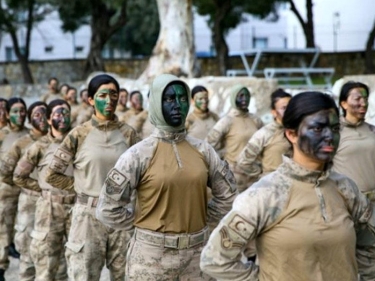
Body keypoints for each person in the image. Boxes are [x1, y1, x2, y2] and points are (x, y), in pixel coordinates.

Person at [200, 91, 375, 281]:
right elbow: (214, 260)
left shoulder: (346, 189)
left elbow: (369, 244)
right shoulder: (264, 195)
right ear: (291, 134)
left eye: (334, 128)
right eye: (318, 128)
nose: (329, 136)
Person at [96, 73, 238, 280]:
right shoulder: (138, 154)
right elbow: (107, 209)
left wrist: (200, 220)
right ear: (155, 103)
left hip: (197, 257)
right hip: (151, 259)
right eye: (169, 99)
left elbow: (228, 196)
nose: (177, 106)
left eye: (182, 99)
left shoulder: (203, 150)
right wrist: (144, 226)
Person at [45, 74, 139, 281]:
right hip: (88, 216)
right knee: (84, 275)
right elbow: (52, 174)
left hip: (121, 215)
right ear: (90, 100)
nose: (109, 100)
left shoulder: (129, 134)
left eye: (113, 94)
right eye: (102, 95)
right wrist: (80, 185)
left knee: (127, 275)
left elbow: (142, 174)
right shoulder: (78, 134)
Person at [13, 99, 73, 281]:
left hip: (76, 208)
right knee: (45, 264)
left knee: (70, 264)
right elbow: (18, 176)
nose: (63, 118)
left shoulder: (78, 143)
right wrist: (42, 189)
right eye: (58, 114)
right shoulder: (39, 147)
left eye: (66, 113)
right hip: (48, 210)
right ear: (48, 119)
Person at [0, 101, 49, 281]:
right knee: (9, 235)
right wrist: (22, 184)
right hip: (15, 195)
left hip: (48, 201)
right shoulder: (15, 139)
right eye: (16, 111)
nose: (19, 114)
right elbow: (5, 171)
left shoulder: (55, 140)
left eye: (45, 113)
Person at [331, 81, 375, 280]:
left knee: (369, 259)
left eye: (365, 98)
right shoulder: (333, 132)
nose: (363, 102)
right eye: (357, 98)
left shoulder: (372, 130)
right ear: (343, 103)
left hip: (372, 208)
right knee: (342, 260)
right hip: (345, 207)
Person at [205, 85, 263, 192]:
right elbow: (208, 144)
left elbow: (265, 143)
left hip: (254, 176)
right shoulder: (227, 121)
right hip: (235, 177)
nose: (244, 99)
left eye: (246, 95)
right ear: (233, 98)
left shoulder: (255, 120)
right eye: (240, 96)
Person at [235, 89, 292, 191]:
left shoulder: (299, 132)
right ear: (274, 112)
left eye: (291, 106)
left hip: (294, 187)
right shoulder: (264, 134)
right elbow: (243, 161)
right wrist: (262, 175)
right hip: (272, 189)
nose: (289, 111)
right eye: (284, 108)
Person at [0, 97, 28, 280]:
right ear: (8, 114)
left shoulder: (32, 134)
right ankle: (1, 267)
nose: (20, 115)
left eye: (22, 111)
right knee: (4, 230)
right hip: (6, 190)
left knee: (26, 229)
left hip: (27, 190)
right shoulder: (2, 134)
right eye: (15, 111)